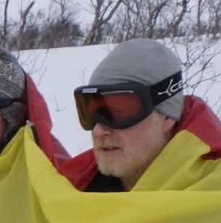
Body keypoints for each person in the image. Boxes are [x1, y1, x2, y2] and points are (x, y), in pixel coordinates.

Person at [68, 39, 189, 192]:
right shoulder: (71, 192)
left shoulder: (211, 198)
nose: (98, 131)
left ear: (167, 117)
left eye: (118, 112)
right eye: (91, 113)